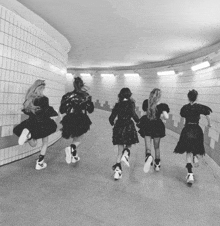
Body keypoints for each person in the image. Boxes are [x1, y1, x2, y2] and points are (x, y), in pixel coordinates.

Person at [13, 79, 58, 170]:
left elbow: (26, 111)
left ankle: (28, 135)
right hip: (44, 123)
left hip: (31, 123)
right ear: (42, 88)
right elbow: (47, 111)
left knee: (33, 144)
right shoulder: (44, 99)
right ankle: (40, 163)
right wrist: (55, 112)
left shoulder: (29, 98)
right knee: (45, 142)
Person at [174, 89, 212, 185]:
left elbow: (182, 115)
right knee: (195, 145)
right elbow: (208, 114)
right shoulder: (199, 107)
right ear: (196, 97)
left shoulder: (185, 108)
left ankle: (190, 174)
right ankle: (195, 156)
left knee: (188, 151)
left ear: (188, 97)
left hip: (187, 129)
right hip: (196, 129)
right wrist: (209, 124)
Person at [59, 77, 94, 164]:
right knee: (78, 140)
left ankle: (74, 156)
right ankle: (71, 148)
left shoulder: (67, 95)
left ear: (74, 85)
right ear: (82, 85)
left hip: (69, 118)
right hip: (81, 118)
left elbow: (62, 110)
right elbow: (90, 110)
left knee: (75, 137)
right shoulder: (86, 96)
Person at [109, 88, 139, 180]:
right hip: (129, 127)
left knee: (119, 152)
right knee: (129, 144)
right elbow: (134, 115)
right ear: (129, 95)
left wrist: (113, 123)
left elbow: (111, 118)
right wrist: (139, 122)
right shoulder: (131, 104)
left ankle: (117, 173)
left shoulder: (118, 105)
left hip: (119, 127)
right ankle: (126, 154)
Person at [137, 88, 169, 173]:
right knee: (157, 147)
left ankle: (148, 157)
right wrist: (161, 114)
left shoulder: (147, 103)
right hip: (157, 126)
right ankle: (157, 165)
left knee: (148, 147)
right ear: (159, 96)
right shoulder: (161, 106)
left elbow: (145, 113)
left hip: (147, 124)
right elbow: (166, 117)